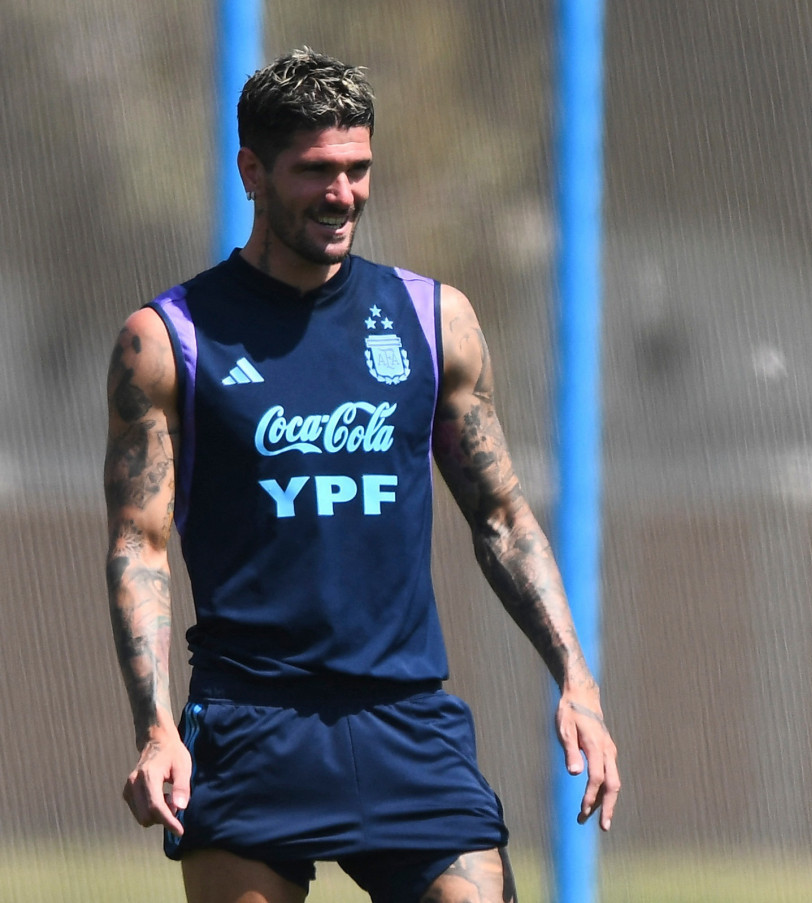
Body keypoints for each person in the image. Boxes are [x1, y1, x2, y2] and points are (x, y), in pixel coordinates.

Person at [104, 48, 619, 903]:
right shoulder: (168, 340)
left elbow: (502, 517)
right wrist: (157, 726)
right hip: (252, 723)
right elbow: (139, 547)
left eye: (357, 168)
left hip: (407, 719)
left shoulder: (431, 319)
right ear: (252, 172)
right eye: (315, 171)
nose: (342, 194)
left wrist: (578, 681)